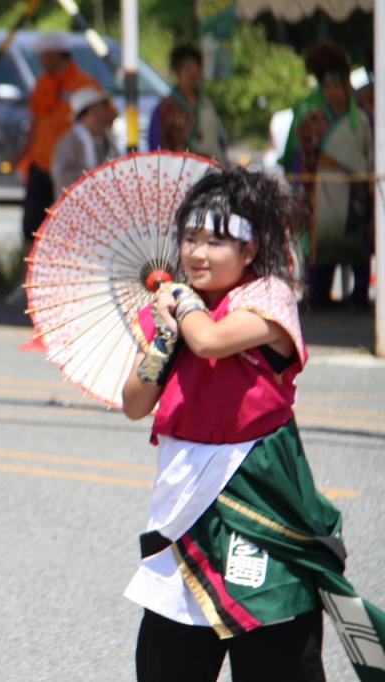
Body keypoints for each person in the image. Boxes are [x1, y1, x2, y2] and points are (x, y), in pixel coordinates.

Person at [121, 166, 385, 681]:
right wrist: (161, 341)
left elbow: (212, 341)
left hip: (259, 489)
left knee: (275, 642)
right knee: (170, 651)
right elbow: (135, 402)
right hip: (184, 501)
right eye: (190, 238)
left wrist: (183, 309)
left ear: (250, 248)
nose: (197, 253)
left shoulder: (268, 297)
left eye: (217, 240)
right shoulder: (175, 318)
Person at [293, 44, 373, 307]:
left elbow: (370, 152)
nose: (333, 92)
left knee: (355, 242)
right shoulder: (313, 118)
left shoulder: (361, 119)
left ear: (347, 88)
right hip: (324, 190)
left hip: (355, 190)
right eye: (328, 87)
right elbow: (303, 155)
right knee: (323, 243)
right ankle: (318, 294)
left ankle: (359, 294)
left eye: (338, 86)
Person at [16, 33, 101, 259]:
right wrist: (23, 155)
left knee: (66, 228)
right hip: (41, 165)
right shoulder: (42, 83)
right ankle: (28, 279)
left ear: (54, 55)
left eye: (43, 56)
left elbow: (105, 116)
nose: (41, 61)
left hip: (70, 170)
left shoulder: (85, 83)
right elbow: (35, 121)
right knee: (32, 227)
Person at [148, 45, 227, 163]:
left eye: (198, 67)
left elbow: (220, 140)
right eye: (188, 68)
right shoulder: (164, 110)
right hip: (182, 175)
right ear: (177, 71)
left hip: (214, 172)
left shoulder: (207, 105)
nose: (194, 73)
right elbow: (157, 150)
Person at [49, 87, 116, 193]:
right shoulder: (69, 142)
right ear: (83, 117)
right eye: (96, 112)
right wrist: (93, 177)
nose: (102, 116)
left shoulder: (104, 138)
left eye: (102, 110)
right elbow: (62, 178)